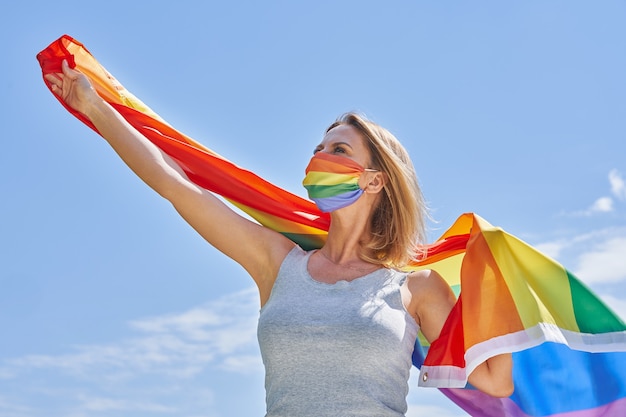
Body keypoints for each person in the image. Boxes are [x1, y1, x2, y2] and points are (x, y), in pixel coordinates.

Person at [46, 59, 513, 416]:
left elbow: (495, 380)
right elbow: (176, 185)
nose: (319, 158)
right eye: (318, 149)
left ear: (375, 180)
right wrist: (94, 107)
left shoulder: (416, 288)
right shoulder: (277, 261)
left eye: (339, 150)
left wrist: (496, 283)